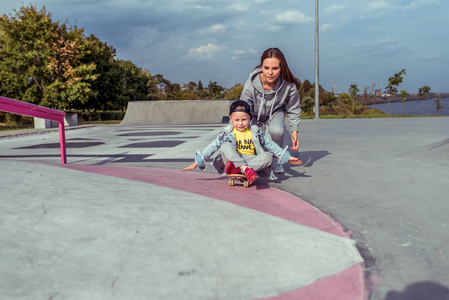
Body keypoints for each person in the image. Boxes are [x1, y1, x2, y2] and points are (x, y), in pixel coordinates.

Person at [181, 100, 302, 185]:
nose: (240, 123)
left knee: (268, 156)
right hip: (233, 159)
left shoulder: (255, 131)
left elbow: (270, 145)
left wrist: (287, 157)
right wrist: (197, 162)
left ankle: (239, 169)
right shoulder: (227, 133)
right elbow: (213, 146)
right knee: (225, 146)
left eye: (244, 119)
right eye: (236, 120)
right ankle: (245, 169)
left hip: (251, 159)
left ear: (250, 118)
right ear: (230, 119)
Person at [240, 47, 301, 174]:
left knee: (277, 131)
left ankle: (276, 160)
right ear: (261, 66)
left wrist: (294, 131)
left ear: (281, 68)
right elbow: (243, 108)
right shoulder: (251, 84)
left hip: (276, 111)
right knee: (255, 137)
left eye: (275, 68)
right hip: (254, 114)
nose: (270, 73)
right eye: (266, 68)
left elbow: (293, 107)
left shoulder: (288, 85)